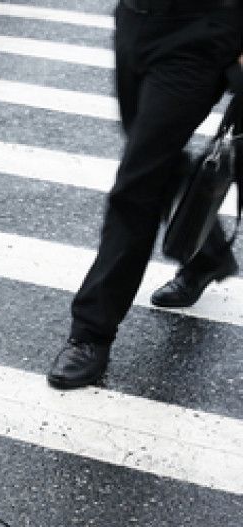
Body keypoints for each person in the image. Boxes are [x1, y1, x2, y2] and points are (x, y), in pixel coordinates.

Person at [48, 0, 241, 390]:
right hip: (136, 21)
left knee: (136, 184)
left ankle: (91, 333)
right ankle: (205, 254)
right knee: (153, 155)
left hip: (200, 28)